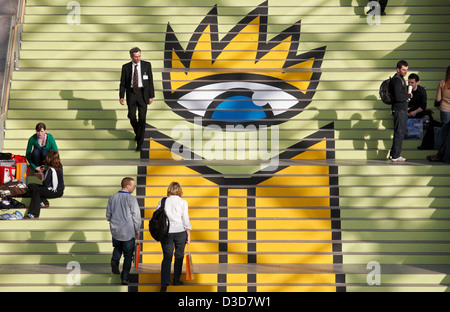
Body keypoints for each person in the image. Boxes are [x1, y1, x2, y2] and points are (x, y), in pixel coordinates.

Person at [106, 177, 141, 285]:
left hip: (116, 229)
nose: (134, 187)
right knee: (128, 255)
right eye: (133, 185)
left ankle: (115, 260)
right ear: (127, 186)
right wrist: (137, 229)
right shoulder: (132, 199)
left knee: (117, 247)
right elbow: (136, 216)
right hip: (128, 230)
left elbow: (108, 215)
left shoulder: (113, 198)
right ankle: (124, 277)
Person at [119, 47, 155, 151]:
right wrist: (121, 96)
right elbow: (122, 83)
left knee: (142, 119)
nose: (138, 58)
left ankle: (140, 143)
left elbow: (150, 81)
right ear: (131, 57)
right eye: (135, 57)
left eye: (139, 56)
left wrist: (151, 96)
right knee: (131, 116)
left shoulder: (147, 65)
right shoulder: (125, 67)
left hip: (143, 94)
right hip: (131, 94)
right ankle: (139, 133)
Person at [159, 182, 192, 292]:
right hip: (180, 231)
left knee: (167, 258)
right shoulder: (183, 202)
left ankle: (164, 282)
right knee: (179, 256)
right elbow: (185, 218)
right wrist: (188, 232)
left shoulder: (163, 201)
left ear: (169, 190)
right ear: (179, 190)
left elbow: (157, 215)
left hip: (166, 232)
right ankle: (176, 280)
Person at [24, 150, 64, 219]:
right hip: (57, 189)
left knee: (36, 190)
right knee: (31, 185)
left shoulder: (51, 170)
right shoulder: (59, 165)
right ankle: (44, 202)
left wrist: (41, 176)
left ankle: (34, 214)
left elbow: (46, 184)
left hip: (56, 191)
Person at [388, 60, 412, 162]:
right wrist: (408, 95)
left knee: (399, 132)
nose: (405, 72)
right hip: (399, 110)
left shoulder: (399, 79)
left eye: (406, 70)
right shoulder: (397, 80)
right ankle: (396, 155)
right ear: (398, 69)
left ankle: (393, 154)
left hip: (400, 110)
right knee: (400, 132)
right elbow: (398, 96)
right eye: (403, 69)